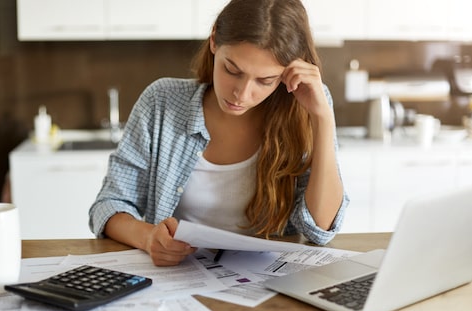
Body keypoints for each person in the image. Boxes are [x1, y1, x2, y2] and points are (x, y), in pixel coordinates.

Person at [89, 0, 349, 266]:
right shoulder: (162, 101)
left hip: (270, 285)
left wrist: (322, 117)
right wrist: (148, 237)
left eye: (265, 81)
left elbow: (320, 228)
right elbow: (109, 205)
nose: (242, 94)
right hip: (180, 278)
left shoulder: (305, 109)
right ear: (214, 40)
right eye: (232, 70)